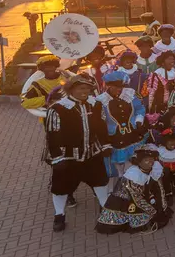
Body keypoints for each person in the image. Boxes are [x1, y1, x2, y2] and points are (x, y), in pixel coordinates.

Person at [46, 75, 111, 232]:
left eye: (88, 88)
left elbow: (102, 127)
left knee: (100, 181)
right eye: (81, 88)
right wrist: (57, 157)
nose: (85, 91)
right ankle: (59, 215)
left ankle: (106, 209)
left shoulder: (95, 105)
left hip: (92, 153)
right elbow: (52, 135)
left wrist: (106, 144)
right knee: (61, 187)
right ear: (71, 89)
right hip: (67, 156)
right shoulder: (58, 108)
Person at [95, 145, 172, 234]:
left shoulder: (155, 168)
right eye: (146, 160)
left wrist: (162, 207)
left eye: (152, 159)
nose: (150, 162)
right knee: (142, 219)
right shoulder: (133, 175)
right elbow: (137, 199)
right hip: (125, 200)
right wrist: (154, 212)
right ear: (138, 162)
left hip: (141, 195)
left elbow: (159, 188)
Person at [97, 71, 147, 183]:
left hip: (133, 134)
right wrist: (105, 142)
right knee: (119, 165)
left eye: (122, 86)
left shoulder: (130, 95)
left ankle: (134, 184)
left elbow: (140, 109)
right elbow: (100, 122)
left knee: (134, 162)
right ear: (109, 86)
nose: (120, 89)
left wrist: (139, 121)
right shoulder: (101, 101)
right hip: (115, 137)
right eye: (116, 87)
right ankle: (121, 186)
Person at [21, 55, 70, 120]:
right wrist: (47, 98)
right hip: (51, 118)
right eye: (46, 67)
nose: (50, 69)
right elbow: (25, 103)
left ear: (56, 67)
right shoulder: (38, 84)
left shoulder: (66, 78)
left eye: (52, 66)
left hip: (69, 113)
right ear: (42, 69)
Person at [144, 51, 175, 123]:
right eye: (169, 59)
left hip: (172, 106)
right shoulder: (156, 74)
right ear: (162, 61)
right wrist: (151, 111)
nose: (172, 61)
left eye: (172, 59)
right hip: (159, 107)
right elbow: (151, 93)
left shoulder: (174, 73)